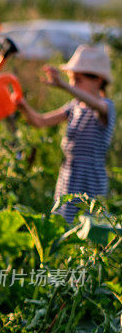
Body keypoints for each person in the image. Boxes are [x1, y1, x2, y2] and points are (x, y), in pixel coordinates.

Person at [17, 45, 115, 223]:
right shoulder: (74, 106)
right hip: (69, 175)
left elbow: (95, 105)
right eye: (70, 80)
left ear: (98, 80)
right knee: (64, 225)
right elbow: (40, 121)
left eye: (77, 80)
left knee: (89, 226)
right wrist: (21, 105)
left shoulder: (106, 107)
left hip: (90, 178)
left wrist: (62, 85)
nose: (72, 85)